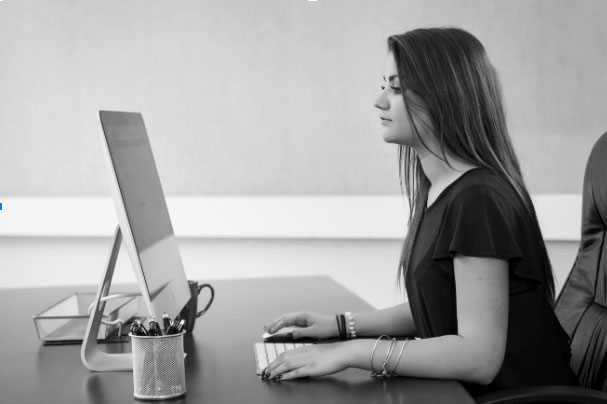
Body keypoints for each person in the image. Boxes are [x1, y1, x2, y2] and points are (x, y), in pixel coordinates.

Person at [261, 27, 579, 396]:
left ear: (443, 96)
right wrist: (340, 326)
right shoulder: (443, 191)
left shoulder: (478, 200)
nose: (379, 101)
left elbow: (478, 357)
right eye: (384, 86)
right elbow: (440, 304)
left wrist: (351, 353)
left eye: (396, 89)